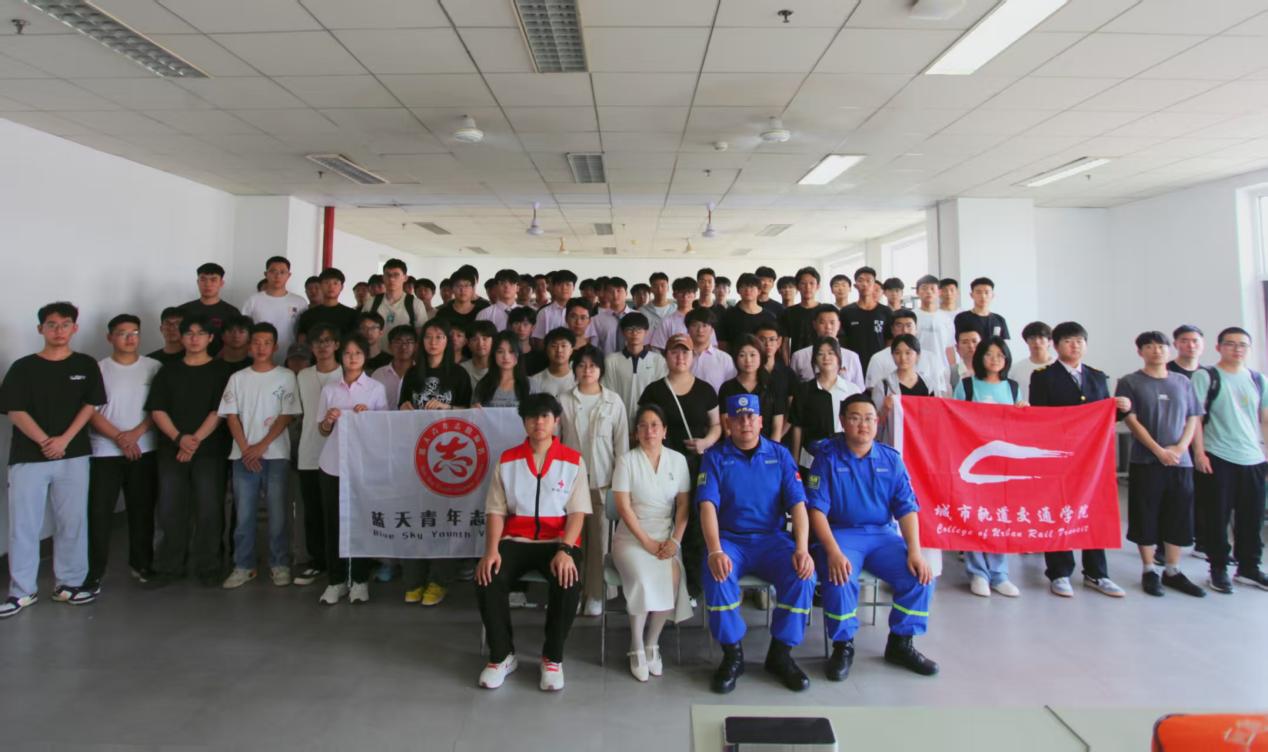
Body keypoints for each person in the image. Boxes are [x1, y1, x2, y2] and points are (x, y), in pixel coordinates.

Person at [806, 394, 938, 680]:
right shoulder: (827, 457)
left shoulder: (891, 459)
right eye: (855, 418)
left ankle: (901, 643)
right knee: (840, 576)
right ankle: (843, 645)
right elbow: (816, 510)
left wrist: (915, 551)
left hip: (881, 535)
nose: (863, 425)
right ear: (843, 422)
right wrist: (833, 552)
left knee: (920, 576)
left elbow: (907, 508)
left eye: (869, 419)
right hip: (840, 534)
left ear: (877, 423)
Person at [697, 393, 815, 693]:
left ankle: (781, 654)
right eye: (738, 418)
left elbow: (798, 505)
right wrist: (715, 550)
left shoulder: (780, 455)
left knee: (803, 574)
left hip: (772, 540)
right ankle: (732, 655)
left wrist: (802, 548)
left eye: (751, 416)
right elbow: (707, 505)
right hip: (731, 541)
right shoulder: (715, 457)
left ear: (761, 421)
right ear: (728, 423)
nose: (745, 423)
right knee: (717, 573)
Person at [475, 393, 592, 691]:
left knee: (568, 580)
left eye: (544, 416)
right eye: (531, 417)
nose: (538, 422)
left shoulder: (573, 461)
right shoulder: (508, 460)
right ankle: (502, 655)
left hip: (558, 542)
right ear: (524, 422)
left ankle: (552, 657)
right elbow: (496, 510)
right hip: (516, 539)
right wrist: (491, 551)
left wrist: (566, 549)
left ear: (556, 421)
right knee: (488, 576)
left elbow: (578, 513)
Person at [0, 302, 107, 617]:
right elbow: (15, 410)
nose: (58, 330)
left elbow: (90, 406)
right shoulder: (23, 368)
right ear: (40, 329)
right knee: (24, 524)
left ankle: (69, 584)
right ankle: (22, 591)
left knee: (72, 521)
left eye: (65, 324)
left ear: (74, 328)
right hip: (28, 457)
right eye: (51, 324)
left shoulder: (86, 364)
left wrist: (63, 440)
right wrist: (45, 441)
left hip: (73, 455)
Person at [1029, 321, 1131, 598]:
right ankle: (1059, 571)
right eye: (1068, 341)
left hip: (1092, 458)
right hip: (1059, 458)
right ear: (1055, 346)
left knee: (1093, 511)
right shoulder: (1043, 377)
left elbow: (1104, 415)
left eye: (1079, 341)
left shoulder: (1097, 377)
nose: (1074, 346)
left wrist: (1122, 408)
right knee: (1058, 511)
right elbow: (1039, 418)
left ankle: (1097, 573)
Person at [145, 315, 233, 589]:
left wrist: (193, 441)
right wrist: (178, 438)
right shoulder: (167, 372)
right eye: (189, 333)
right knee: (171, 509)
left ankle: (209, 565)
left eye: (200, 333)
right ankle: (170, 565)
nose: (194, 338)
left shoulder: (221, 372)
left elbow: (219, 411)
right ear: (181, 337)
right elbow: (157, 409)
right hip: (171, 450)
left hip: (210, 451)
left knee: (209, 509)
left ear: (210, 338)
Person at [1116, 331, 1206, 598]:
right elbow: (1130, 419)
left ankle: (1173, 570)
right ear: (1140, 352)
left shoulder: (1182, 381)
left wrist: (1179, 448)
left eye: (1161, 346)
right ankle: (1149, 569)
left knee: (1178, 515)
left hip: (1180, 462)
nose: (1156, 350)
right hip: (1146, 460)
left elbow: (1193, 417)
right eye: (1149, 346)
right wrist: (1157, 450)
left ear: (1169, 350)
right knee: (1145, 514)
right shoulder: (1130, 381)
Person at [611, 404, 693, 682]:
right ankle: (635, 645)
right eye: (643, 426)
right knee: (643, 579)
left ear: (665, 431)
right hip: (631, 538)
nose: (649, 431)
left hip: (666, 536)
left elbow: (684, 506)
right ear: (636, 433)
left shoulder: (677, 460)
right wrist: (645, 541)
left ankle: (652, 643)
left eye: (655, 425)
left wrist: (675, 541)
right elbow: (623, 507)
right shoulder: (626, 461)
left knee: (672, 577)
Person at [218, 322, 300, 589]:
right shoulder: (237, 378)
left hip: (276, 455)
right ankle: (243, 565)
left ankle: (279, 563)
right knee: (244, 515)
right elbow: (231, 416)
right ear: (249, 346)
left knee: (278, 515)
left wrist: (261, 446)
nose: (261, 347)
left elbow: (286, 416)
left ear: (275, 347)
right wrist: (246, 449)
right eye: (256, 342)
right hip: (242, 456)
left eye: (267, 343)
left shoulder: (286, 376)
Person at [637, 334, 722, 591]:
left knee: (694, 524)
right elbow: (643, 425)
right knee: (662, 519)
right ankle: (660, 584)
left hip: (695, 465)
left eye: (685, 352)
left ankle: (692, 587)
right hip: (660, 466)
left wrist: (705, 442)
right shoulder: (654, 390)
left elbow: (717, 425)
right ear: (666, 356)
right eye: (674, 351)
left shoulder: (705, 390)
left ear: (693, 356)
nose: (680, 357)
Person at [85, 314, 161, 592]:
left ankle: (141, 564)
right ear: (110, 337)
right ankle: (94, 570)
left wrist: (135, 435)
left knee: (142, 510)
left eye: (135, 333)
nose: (130, 338)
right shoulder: (98, 369)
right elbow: (90, 412)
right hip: (105, 451)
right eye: (122, 333)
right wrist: (119, 437)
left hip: (144, 449)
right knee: (99, 512)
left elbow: (159, 408)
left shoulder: (154, 367)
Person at [399, 319, 472, 605]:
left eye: (439, 336)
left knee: (444, 519)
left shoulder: (459, 375)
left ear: (448, 341)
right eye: (428, 336)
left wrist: (447, 407)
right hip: (416, 453)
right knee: (415, 518)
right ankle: (414, 580)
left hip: (446, 455)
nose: (433, 342)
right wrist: (403, 407)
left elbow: (471, 413)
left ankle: (439, 581)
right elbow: (401, 408)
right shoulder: (413, 373)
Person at [1191, 327, 1268, 593]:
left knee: (1252, 517)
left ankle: (1249, 568)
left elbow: (1264, 419)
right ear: (1218, 347)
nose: (1237, 349)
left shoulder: (1258, 379)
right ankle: (1218, 568)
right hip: (1218, 455)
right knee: (1217, 516)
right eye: (1230, 344)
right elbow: (1195, 418)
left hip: (1253, 458)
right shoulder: (1206, 376)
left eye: (1242, 345)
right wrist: (1199, 453)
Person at [315, 334, 388, 605]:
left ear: (365, 356)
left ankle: (359, 580)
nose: (353, 358)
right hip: (332, 464)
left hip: (362, 466)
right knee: (332, 523)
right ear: (341, 357)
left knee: (360, 522)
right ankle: (336, 581)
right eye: (347, 353)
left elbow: (384, 429)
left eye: (358, 353)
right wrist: (329, 420)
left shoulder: (375, 388)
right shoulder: (329, 389)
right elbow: (322, 430)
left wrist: (367, 416)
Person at [559, 346, 630, 616]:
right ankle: (572, 591)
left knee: (600, 541)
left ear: (601, 370)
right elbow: (555, 441)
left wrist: (619, 486)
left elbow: (621, 447)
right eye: (581, 365)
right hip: (570, 482)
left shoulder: (614, 401)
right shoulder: (563, 399)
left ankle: (597, 594)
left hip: (603, 482)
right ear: (574, 368)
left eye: (593, 365)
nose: (587, 370)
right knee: (572, 539)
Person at [953, 336, 1025, 598]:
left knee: (999, 517)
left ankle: (999, 573)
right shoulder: (967, 385)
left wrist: (1024, 411)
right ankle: (977, 573)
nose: (994, 359)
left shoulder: (1013, 387)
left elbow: (1021, 424)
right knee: (975, 516)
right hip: (973, 462)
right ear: (979, 357)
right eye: (989, 354)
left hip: (1004, 463)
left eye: (1000, 355)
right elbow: (954, 419)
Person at [294, 323, 343, 587]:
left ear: (336, 345)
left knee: (339, 510)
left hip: (340, 455)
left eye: (327, 341)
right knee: (313, 510)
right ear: (311, 347)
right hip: (309, 452)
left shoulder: (346, 373)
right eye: (317, 342)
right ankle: (318, 561)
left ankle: (343, 562)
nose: (322, 346)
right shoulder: (302, 376)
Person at [790, 337, 862, 473]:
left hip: (846, 457)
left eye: (830, 353)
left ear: (839, 357)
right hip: (811, 459)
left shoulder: (852, 390)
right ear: (814, 359)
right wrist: (795, 458)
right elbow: (797, 426)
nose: (826, 357)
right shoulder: (804, 390)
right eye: (820, 353)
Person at [872, 334, 945, 444]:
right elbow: (874, 425)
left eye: (908, 353)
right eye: (897, 353)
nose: (903, 358)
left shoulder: (929, 384)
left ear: (918, 355)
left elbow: (938, 417)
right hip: (896, 442)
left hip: (924, 443)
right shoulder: (883, 385)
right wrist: (885, 409)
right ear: (892, 355)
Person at [603, 312, 667, 427]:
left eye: (639, 329)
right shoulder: (611, 360)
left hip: (648, 423)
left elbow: (660, 395)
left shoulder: (658, 361)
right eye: (630, 329)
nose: (634, 333)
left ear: (646, 332)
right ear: (623, 332)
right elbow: (608, 392)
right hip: (618, 421)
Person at [718, 335, 786, 441]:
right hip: (736, 445)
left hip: (767, 444)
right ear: (735, 358)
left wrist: (771, 448)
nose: (748, 360)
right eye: (742, 355)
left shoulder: (773, 385)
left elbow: (777, 427)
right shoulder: (727, 388)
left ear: (761, 356)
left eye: (753, 355)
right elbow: (727, 428)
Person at [240, 256, 308, 361]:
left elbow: (303, 332)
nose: (277, 276)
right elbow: (244, 330)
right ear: (266, 274)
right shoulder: (253, 300)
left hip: (290, 357)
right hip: (258, 358)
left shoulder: (299, 302)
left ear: (288, 275)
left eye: (282, 272)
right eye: (273, 272)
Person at [788, 304, 864, 389]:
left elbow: (859, 390)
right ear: (814, 325)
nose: (828, 327)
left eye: (832, 322)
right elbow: (792, 390)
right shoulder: (799, 356)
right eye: (822, 322)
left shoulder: (852, 357)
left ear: (839, 325)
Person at [362, 259, 428, 353]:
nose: (391, 279)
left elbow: (420, 336)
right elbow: (362, 331)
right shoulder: (371, 303)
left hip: (404, 357)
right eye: (388, 275)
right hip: (375, 356)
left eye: (396, 275)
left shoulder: (415, 304)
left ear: (405, 278)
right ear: (383, 277)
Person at [179, 262, 240, 357]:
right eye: (203, 279)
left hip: (221, 361)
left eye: (213, 280)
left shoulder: (232, 312)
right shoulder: (183, 310)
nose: (207, 284)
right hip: (188, 359)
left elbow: (236, 341)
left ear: (221, 283)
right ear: (198, 282)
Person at [838, 266, 892, 371]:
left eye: (868, 281)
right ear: (855, 285)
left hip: (879, 365)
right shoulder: (846, 311)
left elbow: (889, 339)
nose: (865, 284)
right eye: (861, 280)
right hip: (853, 365)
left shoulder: (885, 311)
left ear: (874, 284)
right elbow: (842, 340)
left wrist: (885, 360)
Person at [866, 310, 936, 388]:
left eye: (909, 326)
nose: (904, 330)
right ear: (892, 329)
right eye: (899, 326)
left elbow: (938, 389)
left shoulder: (931, 358)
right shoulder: (878, 358)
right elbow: (872, 388)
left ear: (916, 329)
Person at [913, 274, 956, 391]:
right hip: (917, 370)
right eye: (924, 288)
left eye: (932, 288)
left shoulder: (946, 318)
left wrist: (954, 370)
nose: (928, 292)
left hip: (941, 370)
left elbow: (949, 348)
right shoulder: (912, 316)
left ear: (939, 292)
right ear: (917, 292)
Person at [295, 267, 358, 340]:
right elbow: (302, 342)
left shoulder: (352, 315)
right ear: (320, 286)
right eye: (327, 282)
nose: (331, 286)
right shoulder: (307, 315)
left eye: (335, 283)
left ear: (341, 287)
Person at [533, 270, 592, 346]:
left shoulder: (583, 311)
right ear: (553, 287)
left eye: (568, 284)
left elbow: (589, 338)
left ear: (573, 287)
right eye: (560, 284)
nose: (564, 288)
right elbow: (539, 341)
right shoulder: (544, 312)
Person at [719, 273, 775, 352]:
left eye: (752, 287)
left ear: (759, 291)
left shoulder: (769, 317)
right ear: (738, 290)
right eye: (744, 286)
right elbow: (722, 344)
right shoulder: (728, 315)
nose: (748, 290)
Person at [474, 332, 530, 409]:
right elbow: (472, 414)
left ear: (519, 355)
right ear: (494, 355)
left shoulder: (531, 385)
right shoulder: (483, 385)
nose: (506, 357)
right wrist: (474, 410)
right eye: (500, 351)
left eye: (511, 351)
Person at [651, 277, 708, 351]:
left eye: (689, 292)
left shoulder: (704, 318)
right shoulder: (667, 322)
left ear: (695, 295)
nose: (685, 296)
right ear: (674, 295)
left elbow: (712, 346)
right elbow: (658, 347)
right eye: (681, 292)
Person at [685, 308, 734, 392]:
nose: (700, 330)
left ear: (712, 330)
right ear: (688, 329)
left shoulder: (725, 359)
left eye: (704, 325)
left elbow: (731, 389)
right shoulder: (680, 358)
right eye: (695, 325)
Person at [778, 267, 823, 354]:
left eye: (811, 283)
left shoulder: (824, 311)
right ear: (798, 287)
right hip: (797, 359)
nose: (808, 287)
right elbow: (785, 343)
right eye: (803, 283)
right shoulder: (789, 312)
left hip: (821, 358)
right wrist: (787, 362)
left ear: (818, 286)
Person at [431, 267, 489, 332]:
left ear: (472, 289)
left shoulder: (482, 312)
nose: (462, 290)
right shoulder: (443, 313)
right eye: (458, 285)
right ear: (452, 289)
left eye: (466, 285)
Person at [954, 277, 1010, 344]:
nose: (983, 296)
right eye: (978, 292)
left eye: (987, 292)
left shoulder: (999, 320)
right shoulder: (962, 318)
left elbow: (1005, 345)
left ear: (992, 295)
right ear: (971, 295)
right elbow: (958, 343)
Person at [372, 325, 417, 407]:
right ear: (389, 346)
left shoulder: (422, 373)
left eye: (409, 342)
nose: (403, 346)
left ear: (416, 346)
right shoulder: (378, 375)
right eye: (398, 342)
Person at [1010, 321, 1054, 403]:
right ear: (1026, 341)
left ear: (1049, 341)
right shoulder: (1016, 369)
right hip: (1024, 410)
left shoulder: (1058, 366)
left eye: (1041, 337)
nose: (1036, 342)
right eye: (1032, 338)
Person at [529, 327, 576, 399]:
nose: (559, 350)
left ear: (571, 350)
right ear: (547, 350)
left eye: (563, 346)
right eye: (554, 346)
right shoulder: (535, 381)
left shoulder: (578, 379)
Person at [592, 276, 629, 355]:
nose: (615, 295)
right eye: (611, 291)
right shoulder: (596, 320)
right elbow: (594, 347)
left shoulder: (638, 316)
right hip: (606, 360)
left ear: (626, 293)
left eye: (619, 291)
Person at [460, 320, 496, 390]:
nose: (480, 344)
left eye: (485, 339)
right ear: (468, 343)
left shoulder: (502, 369)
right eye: (475, 339)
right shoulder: (461, 370)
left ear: (493, 341)